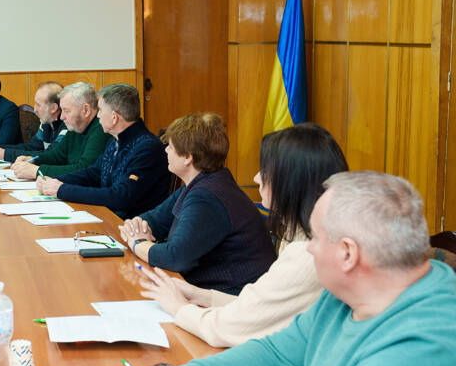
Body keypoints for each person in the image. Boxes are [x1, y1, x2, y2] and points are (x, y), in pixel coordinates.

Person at [135, 172, 456, 366]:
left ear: (348, 254)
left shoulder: (425, 347)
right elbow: (278, 356)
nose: (309, 250)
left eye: (315, 238)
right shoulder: (346, 296)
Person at [138, 123, 348, 346]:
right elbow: (258, 306)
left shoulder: (307, 252)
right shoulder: (299, 232)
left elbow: (231, 328)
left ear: (291, 182)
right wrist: (200, 295)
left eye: (264, 171)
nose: (256, 178)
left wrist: (179, 308)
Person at [117, 113, 274, 295]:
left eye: (171, 147)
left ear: (188, 158)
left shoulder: (208, 196)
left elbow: (175, 257)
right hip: (206, 291)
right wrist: (135, 225)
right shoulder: (201, 182)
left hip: (229, 299)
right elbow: (155, 219)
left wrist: (137, 243)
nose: (165, 150)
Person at [36, 83, 169, 219]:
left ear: (114, 117)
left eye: (100, 110)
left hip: (129, 226)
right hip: (108, 217)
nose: (98, 115)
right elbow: (94, 173)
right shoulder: (115, 140)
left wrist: (62, 190)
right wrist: (54, 181)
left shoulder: (147, 148)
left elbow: (120, 196)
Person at [11, 82, 107, 179]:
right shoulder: (77, 125)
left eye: (67, 111)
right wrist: (33, 160)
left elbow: (84, 170)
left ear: (86, 110)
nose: (62, 117)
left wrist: (37, 171)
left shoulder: (101, 129)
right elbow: (57, 155)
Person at [0, 81, 65, 162]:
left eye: (38, 105)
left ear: (54, 108)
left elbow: (49, 156)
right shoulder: (46, 122)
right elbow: (31, 147)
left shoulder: (67, 126)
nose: (35, 110)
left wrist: (4, 154)